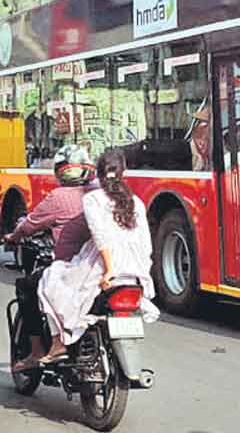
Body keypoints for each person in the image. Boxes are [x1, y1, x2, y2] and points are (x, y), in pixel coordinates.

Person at [36, 147, 159, 363]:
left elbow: (100, 236)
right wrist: (142, 271)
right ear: (124, 172)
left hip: (103, 266)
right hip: (136, 270)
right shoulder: (136, 202)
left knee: (51, 279)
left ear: (98, 174)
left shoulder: (93, 199)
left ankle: (58, 344)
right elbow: (146, 244)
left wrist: (109, 270)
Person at [3, 144, 96, 372]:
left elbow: (29, 225)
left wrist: (13, 236)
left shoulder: (57, 197)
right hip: (103, 267)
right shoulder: (98, 194)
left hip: (70, 267)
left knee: (27, 288)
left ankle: (36, 352)